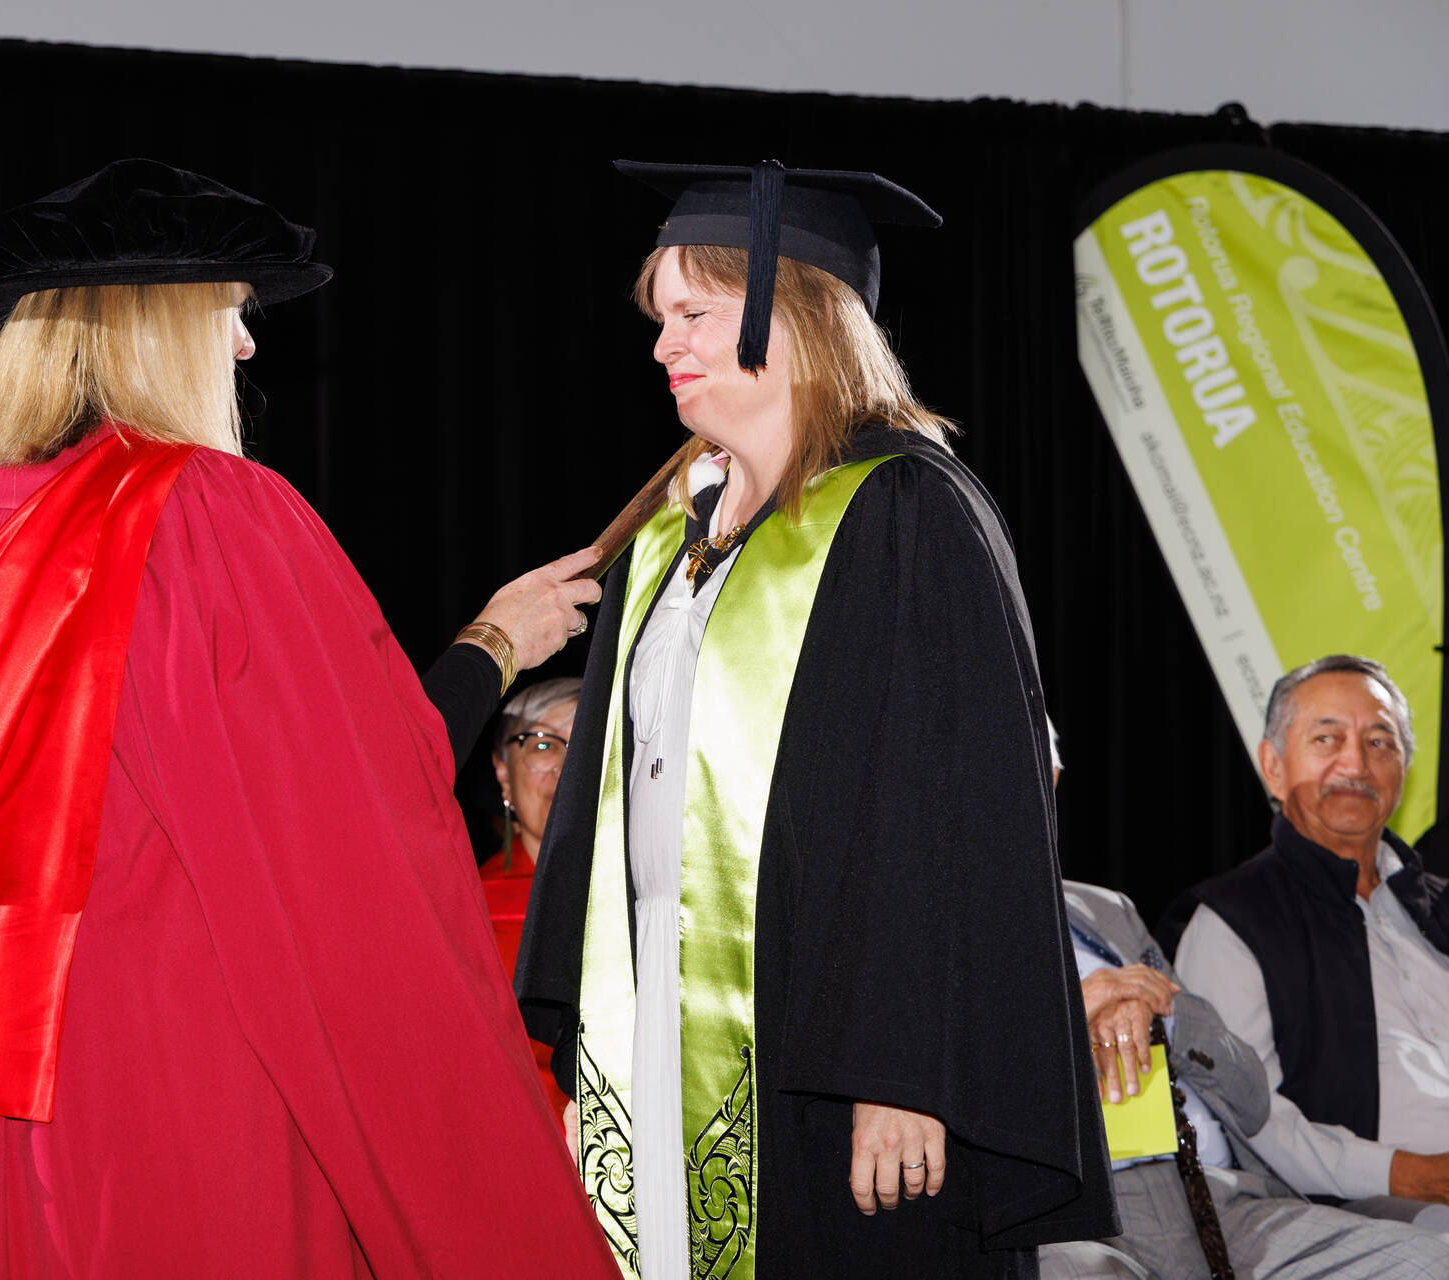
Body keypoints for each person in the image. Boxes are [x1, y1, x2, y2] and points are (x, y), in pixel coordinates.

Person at [0, 159, 618, 1278]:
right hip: (165, 1078)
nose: (247, 348)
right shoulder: (207, 515)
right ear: (155, 326)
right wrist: (491, 647)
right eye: (232, 314)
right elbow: (346, 819)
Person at [515, 160, 1114, 1280]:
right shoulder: (670, 536)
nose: (664, 344)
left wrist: (906, 1068)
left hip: (835, 1044)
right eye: (661, 317)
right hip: (660, 1008)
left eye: (694, 314)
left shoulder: (908, 510)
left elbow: (952, 813)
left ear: (788, 316)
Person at [1044, 877, 1449, 1279]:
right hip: (1073, 1221)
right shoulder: (1227, 918)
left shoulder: (1106, 909)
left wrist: (1161, 1012)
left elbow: (1253, 1103)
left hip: (1216, 1194)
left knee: (1430, 1264)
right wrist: (1072, 1009)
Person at [1174, 655, 1449, 1219]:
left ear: (1404, 769)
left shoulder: (1438, 904)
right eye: (1327, 739)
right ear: (1272, 766)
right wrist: (1412, 1175)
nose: (1356, 763)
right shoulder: (1230, 921)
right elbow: (1253, 1121)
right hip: (1361, 1211)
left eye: (1380, 742)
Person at [481, 677, 581, 1128]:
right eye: (543, 745)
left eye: (587, 743)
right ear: (503, 771)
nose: (569, 766)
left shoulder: (663, 904)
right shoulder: (467, 912)